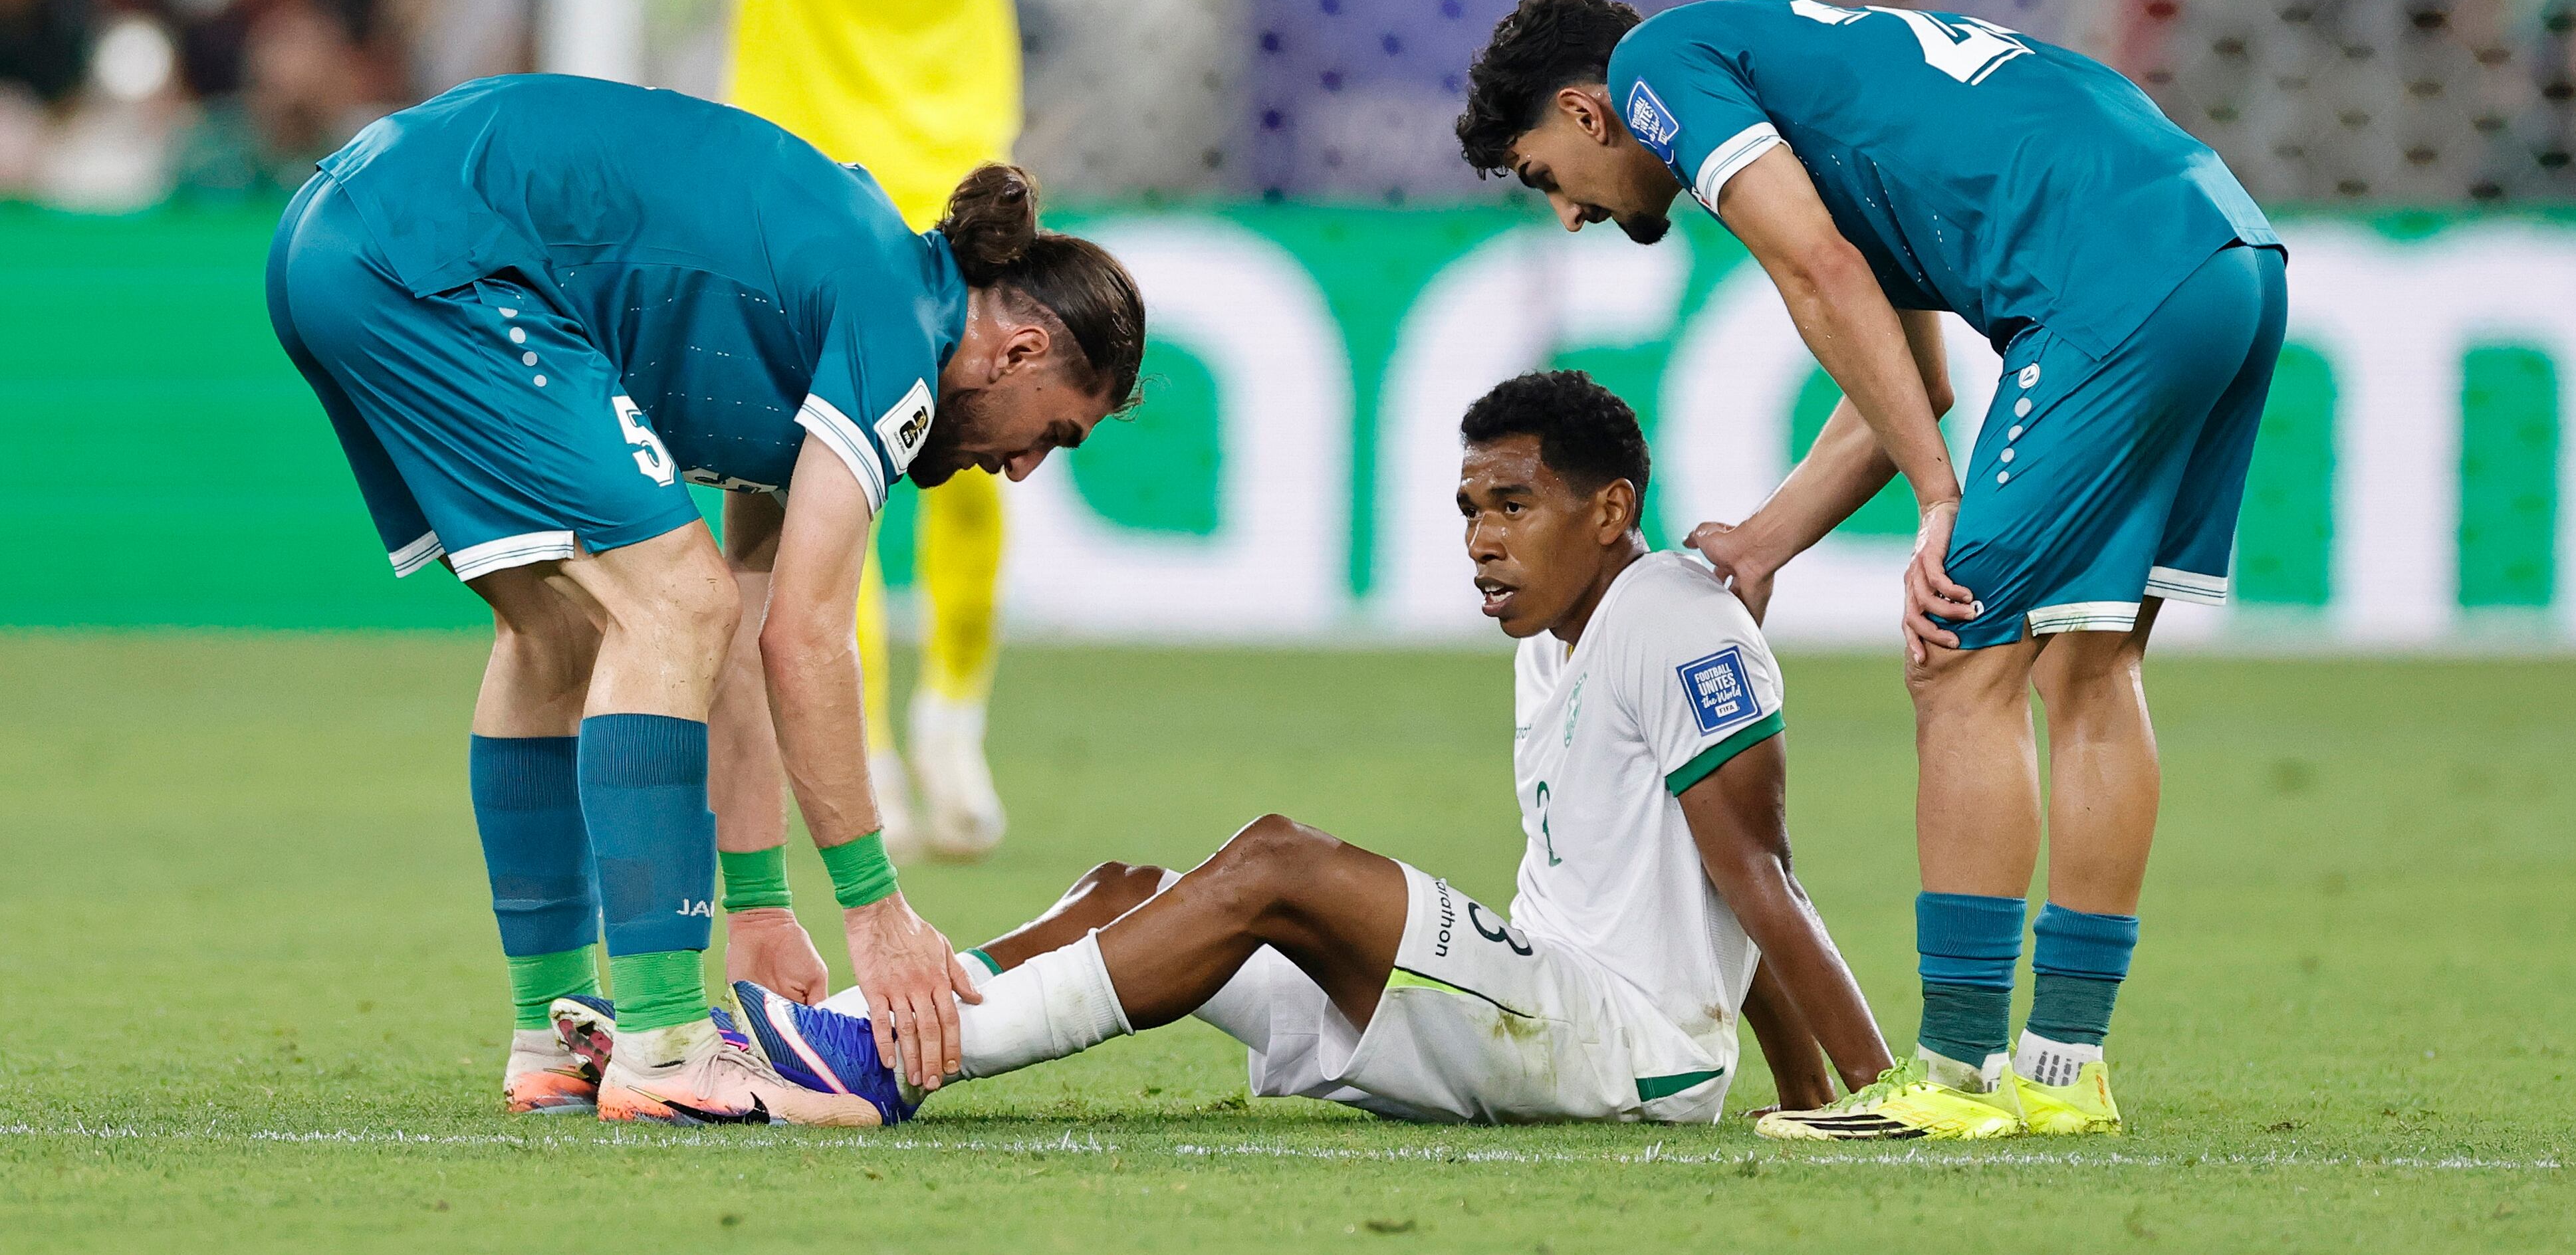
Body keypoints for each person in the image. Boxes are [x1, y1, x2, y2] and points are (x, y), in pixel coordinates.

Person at [554, 371, 1895, 1127]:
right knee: (1127, 890)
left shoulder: (1674, 618)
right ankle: (816, 1039)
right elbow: (1706, 884)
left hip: (1612, 1048)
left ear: (1612, 510)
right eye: (1467, 509)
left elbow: (1757, 875)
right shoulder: (1562, 636)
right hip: (1548, 1015)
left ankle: (887, 1068)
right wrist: (1777, 1087)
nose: (1483, 540)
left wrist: (1859, 1093)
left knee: (1275, 863)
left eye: (1514, 506)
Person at [1453, 0, 2287, 1139]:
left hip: (2108, 277)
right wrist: (1763, 543)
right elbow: (1913, 378)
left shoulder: (1657, 64)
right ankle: (2062, 1067)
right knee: (2090, 665)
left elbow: (1821, 277)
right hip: (2228, 254)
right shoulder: (1829, 97)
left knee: (1958, 657)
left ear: (1589, 112)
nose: (1567, 216)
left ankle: (1952, 1073)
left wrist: (1941, 498)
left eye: (1544, 175)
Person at [265, 72, 1144, 1125]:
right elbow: (805, 642)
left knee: (560, 630)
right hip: (438, 255)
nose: (1025, 468)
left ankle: (551, 1035)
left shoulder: (849, 298)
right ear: (1022, 351)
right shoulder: (897, 337)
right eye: (1055, 431)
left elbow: (752, 619)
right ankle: (667, 1044)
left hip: (341, 236)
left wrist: (762, 906)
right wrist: (877, 912)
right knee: (669, 603)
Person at [723, 0, 1024, 868]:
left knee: (983, 442)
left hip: (958, 160)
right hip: (807, 171)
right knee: (829, 463)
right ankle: (870, 749)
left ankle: (954, 718)